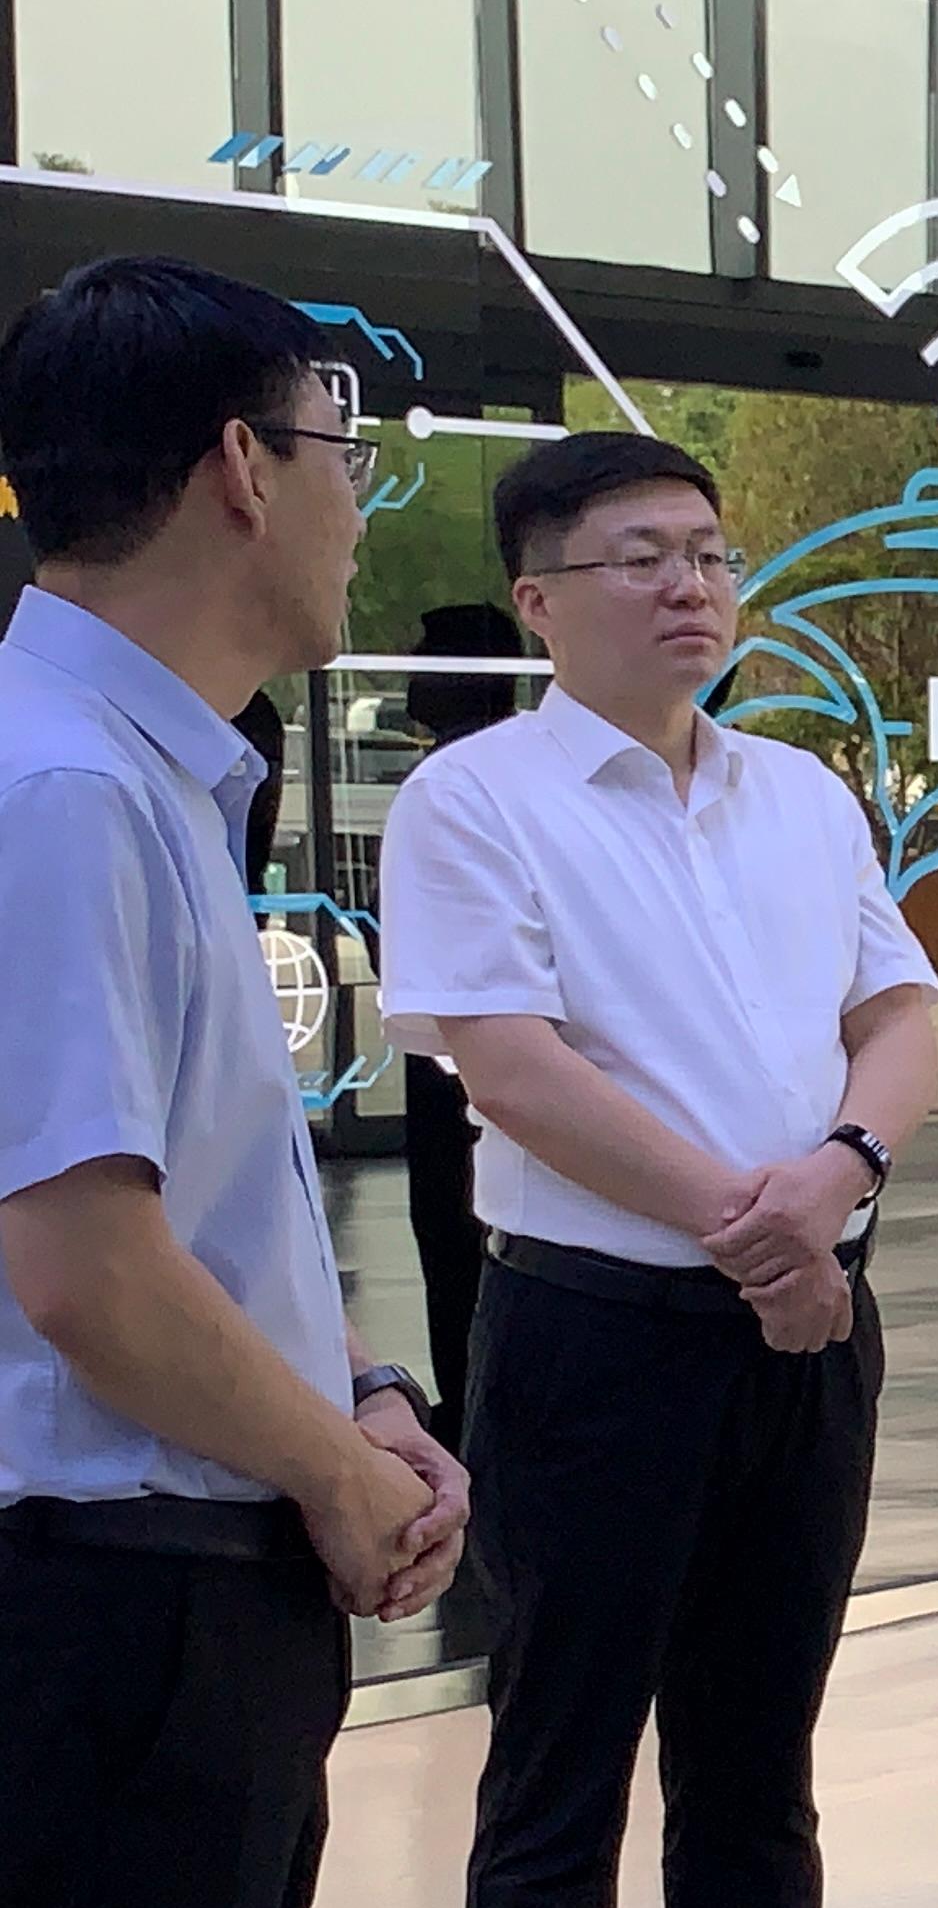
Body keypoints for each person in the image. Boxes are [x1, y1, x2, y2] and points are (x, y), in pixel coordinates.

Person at [0, 256, 467, 1908]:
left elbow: (183, 1206)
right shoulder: (68, 790)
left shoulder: (146, 772)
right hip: (108, 1613)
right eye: (342, 450)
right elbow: (80, 1271)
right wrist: (336, 1470)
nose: (361, 505)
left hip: (181, 1585)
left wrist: (351, 1395)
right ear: (235, 472)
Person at [379, 429, 938, 1908]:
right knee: (559, 1772)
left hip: (804, 1332)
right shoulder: (475, 799)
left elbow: (898, 1011)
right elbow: (509, 1062)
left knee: (754, 1760)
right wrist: (753, 1226)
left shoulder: (801, 791)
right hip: (595, 1343)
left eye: (708, 551)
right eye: (640, 555)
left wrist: (841, 1174)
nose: (691, 584)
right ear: (540, 598)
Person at [397, 605, 526, 1447]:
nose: (411, 670)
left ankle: (474, 1400)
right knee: (446, 1228)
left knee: (459, 1226)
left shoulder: (475, 785)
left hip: (475, 1050)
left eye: (427, 654)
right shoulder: (463, 777)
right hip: (444, 1041)